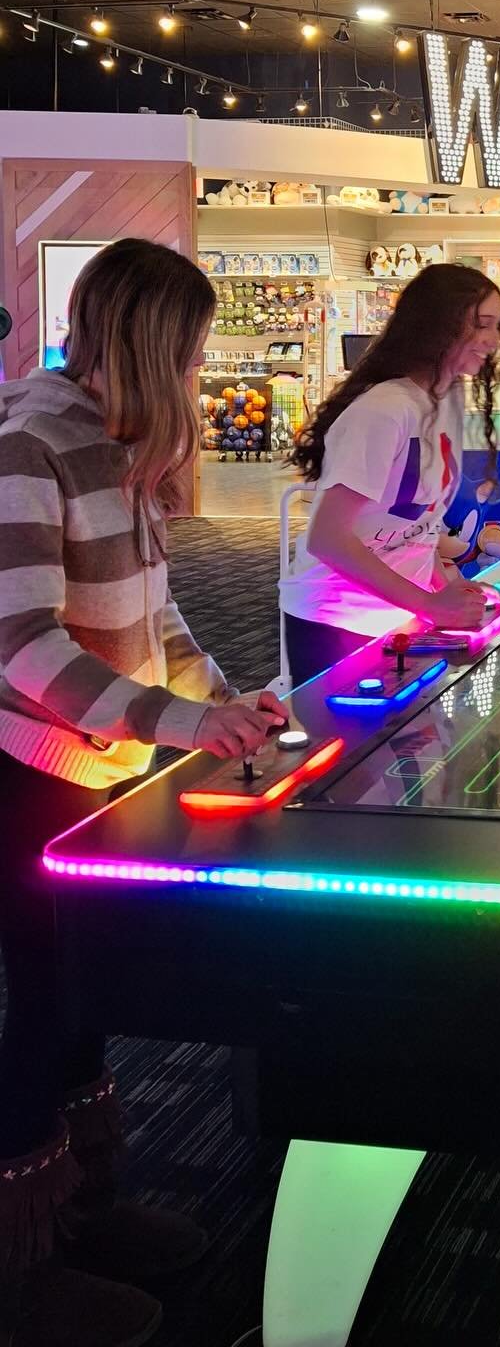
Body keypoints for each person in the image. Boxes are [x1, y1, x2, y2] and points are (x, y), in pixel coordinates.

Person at [0, 240, 284, 1347]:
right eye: (197, 350)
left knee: (87, 991)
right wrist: (179, 722)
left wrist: (223, 702)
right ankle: (23, 1272)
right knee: (43, 1006)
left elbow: (153, 617)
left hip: (95, 767)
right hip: (29, 775)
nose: (204, 370)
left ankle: (81, 1209)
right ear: (154, 345)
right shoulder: (30, 441)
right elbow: (20, 646)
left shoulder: (117, 444)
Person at [284, 264, 500, 685]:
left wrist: (445, 589)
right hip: (335, 622)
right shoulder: (385, 409)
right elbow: (327, 539)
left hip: (397, 615)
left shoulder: (446, 397)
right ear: (440, 325)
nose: (493, 340)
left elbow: (416, 527)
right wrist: (430, 604)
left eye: (496, 325)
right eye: (481, 324)